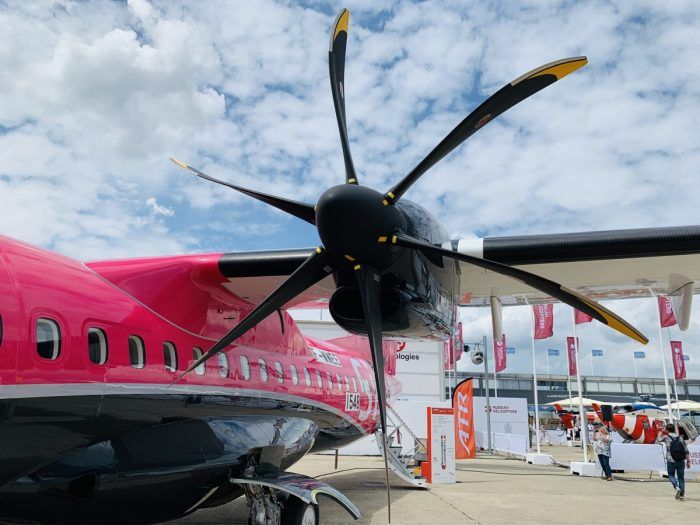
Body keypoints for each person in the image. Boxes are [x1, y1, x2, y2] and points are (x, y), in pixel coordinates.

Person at [657, 423, 691, 501]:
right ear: (674, 429)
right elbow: (686, 450)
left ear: (667, 430)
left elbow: (658, 439)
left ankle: (676, 487)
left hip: (671, 460)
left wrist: (661, 432)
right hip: (681, 460)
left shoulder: (666, 438)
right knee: (681, 477)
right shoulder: (681, 438)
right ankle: (682, 495)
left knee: (671, 475)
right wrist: (688, 461)